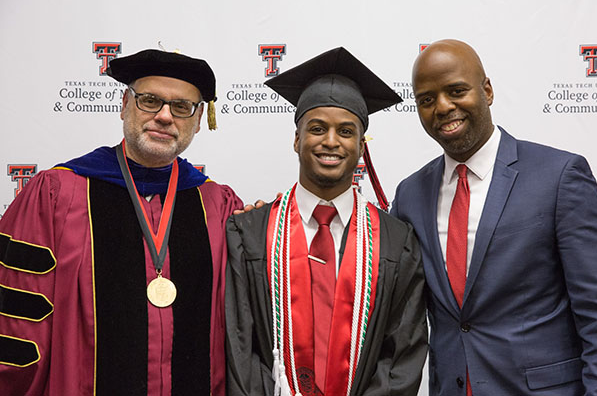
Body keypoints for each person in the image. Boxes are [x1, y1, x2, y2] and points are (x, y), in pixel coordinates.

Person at [0, 49, 242, 396]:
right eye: (149, 101)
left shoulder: (218, 205)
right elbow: (17, 324)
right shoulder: (56, 196)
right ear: (124, 105)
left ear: (199, 119)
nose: (164, 116)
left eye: (181, 107)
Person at [391, 39, 597, 395]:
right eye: (426, 99)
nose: (442, 107)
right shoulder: (410, 194)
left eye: (456, 91)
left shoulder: (559, 176)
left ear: (487, 90)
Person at [225, 47, 428, 396]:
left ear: (362, 147)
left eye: (346, 131)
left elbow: (401, 355)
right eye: (317, 128)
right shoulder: (250, 234)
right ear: (296, 139)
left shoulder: (397, 241)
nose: (331, 141)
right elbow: (240, 346)